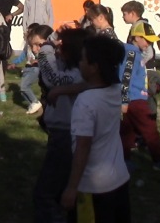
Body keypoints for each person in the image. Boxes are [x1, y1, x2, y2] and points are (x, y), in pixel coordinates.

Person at [62, 35, 130, 223]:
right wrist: (60, 90)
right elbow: (90, 84)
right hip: (119, 179)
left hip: (94, 187)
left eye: (83, 59)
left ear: (95, 66)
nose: (80, 63)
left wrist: (72, 187)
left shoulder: (85, 103)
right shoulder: (115, 89)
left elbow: (83, 147)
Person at [32, 26, 88, 222]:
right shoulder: (74, 70)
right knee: (62, 185)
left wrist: (46, 47)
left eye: (62, 46)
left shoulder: (77, 74)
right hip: (62, 132)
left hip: (67, 134)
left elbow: (52, 78)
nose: (58, 49)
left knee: (45, 193)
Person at [123, 22, 160, 184]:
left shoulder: (135, 52)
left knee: (127, 133)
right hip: (135, 99)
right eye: (146, 40)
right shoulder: (131, 53)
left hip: (134, 97)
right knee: (150, 131)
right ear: (136, 37)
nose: (149, 44)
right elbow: (125, 76)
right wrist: (124, 100)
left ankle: (124, 162)